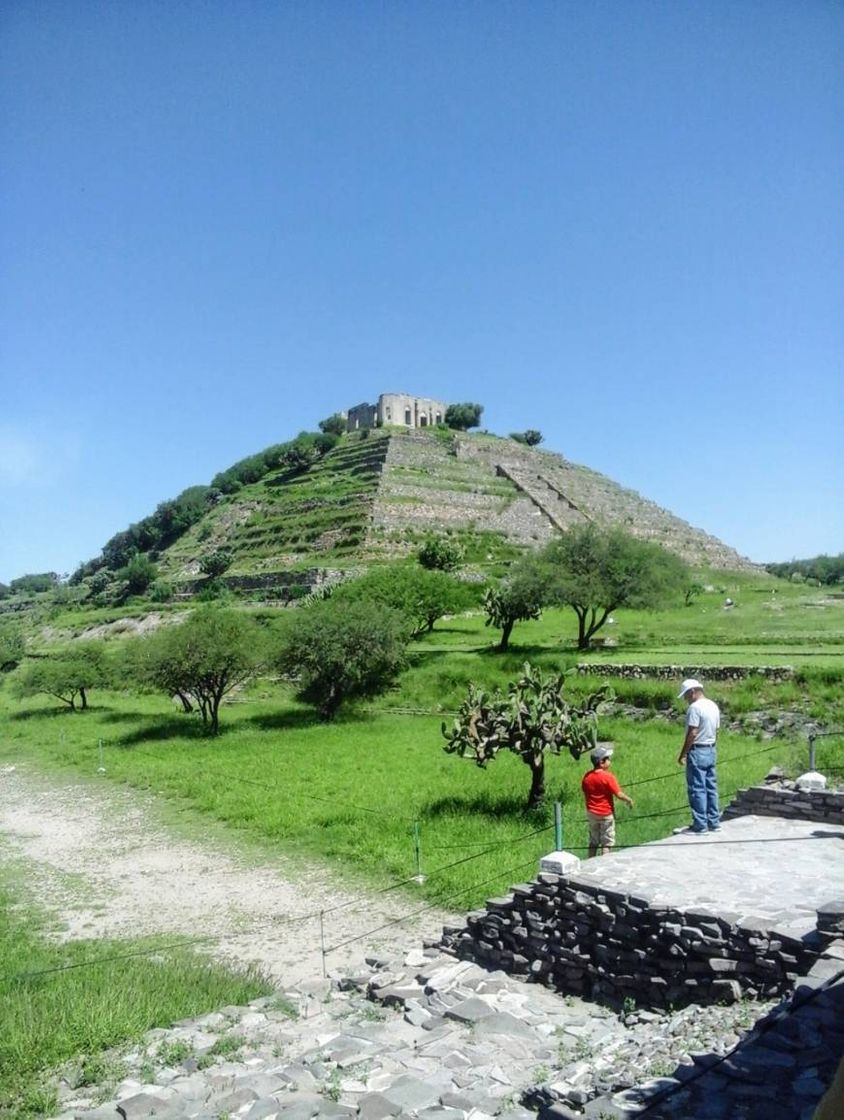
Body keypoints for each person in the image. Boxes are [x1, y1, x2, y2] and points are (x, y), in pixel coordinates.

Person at [675, 677, 721, 835]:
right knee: (711, 787)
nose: (686, 699)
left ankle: (700, 824)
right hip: (711, 748)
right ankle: (714, 822)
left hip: (697, 750)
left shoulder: (695, 708)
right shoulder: (713, 705)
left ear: (693, 692)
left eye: (686, 695)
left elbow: (693, 732)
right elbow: (716, 730)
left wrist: (683, 753)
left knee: (697, 789)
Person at [581, 744, 634, 857]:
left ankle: (590, 861)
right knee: (606, 842)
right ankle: (604, 861)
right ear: (601, 762)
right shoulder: (608, 777)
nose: (609, 761)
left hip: (591, 813)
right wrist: (628, 799)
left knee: (593, 840)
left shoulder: (587, 777)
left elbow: (585, 791)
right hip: (606, 813)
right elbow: (618, 794)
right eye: (608, 759)